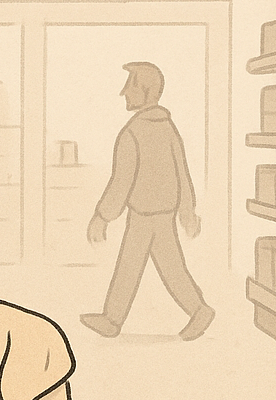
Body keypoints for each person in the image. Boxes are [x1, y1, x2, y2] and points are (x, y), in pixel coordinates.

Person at [81, 62, 215, 341]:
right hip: (161, 215)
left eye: (129, 86)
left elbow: (121, 182)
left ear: (145, 91)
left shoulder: (132, 133)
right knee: (146, 265)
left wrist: (102, 217)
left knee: (153, 267)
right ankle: (113, 319)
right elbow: (183, 174)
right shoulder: (169, 128)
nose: (124, 93)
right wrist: (187, 212)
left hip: (144, 216)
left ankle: (197, 311)